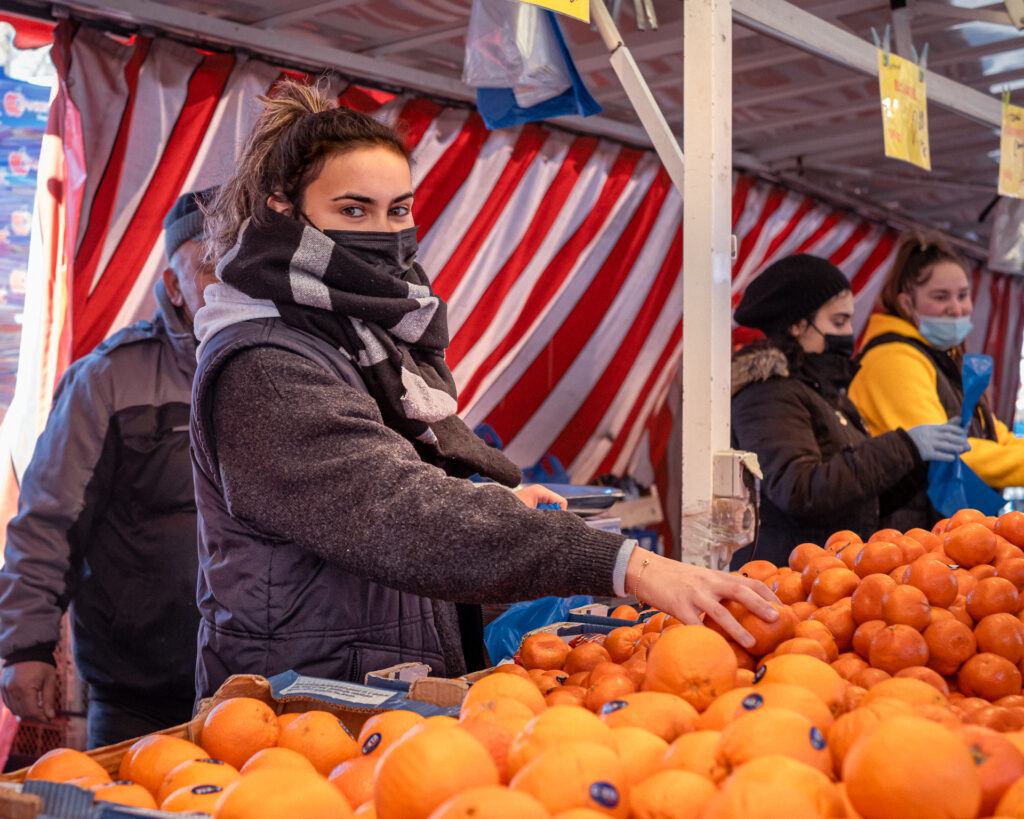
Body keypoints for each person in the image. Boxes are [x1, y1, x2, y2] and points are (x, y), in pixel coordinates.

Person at [188, 79, 778, 700]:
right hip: (298, 703)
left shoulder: (366, 337)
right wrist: (628, 565)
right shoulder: (265, 368)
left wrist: (491, 499)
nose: (385, 233)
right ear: (285, 212)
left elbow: (402, 470)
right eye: (353, 210)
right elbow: (394, 509)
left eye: (400, 210)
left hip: (375, 683)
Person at [0, 189, 219, 748]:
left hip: (261, 685)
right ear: (174, 285)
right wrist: (25, 648)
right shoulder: (107, 380)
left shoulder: (289, 372)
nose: (230, 281)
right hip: (139, 695)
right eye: (211, 264)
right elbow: (50, 521)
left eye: (242, 261)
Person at [729, 253, 969, 568]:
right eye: (839, 321)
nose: (848, 333)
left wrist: (919, 463)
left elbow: (858, 497)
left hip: (832, 576)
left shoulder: (825, 393)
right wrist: (904, 445)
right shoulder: (767, 394)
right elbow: (798, 489)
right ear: (799, 325)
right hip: (788, 582)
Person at [849, 235, 1024, 529]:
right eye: (941, 297)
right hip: (905, 537)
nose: (957, 308)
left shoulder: (939, 357)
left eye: (963, 295)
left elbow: (994, 435)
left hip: (941, 531)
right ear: (906, 303)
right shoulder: (893, 359)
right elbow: (949, 452)